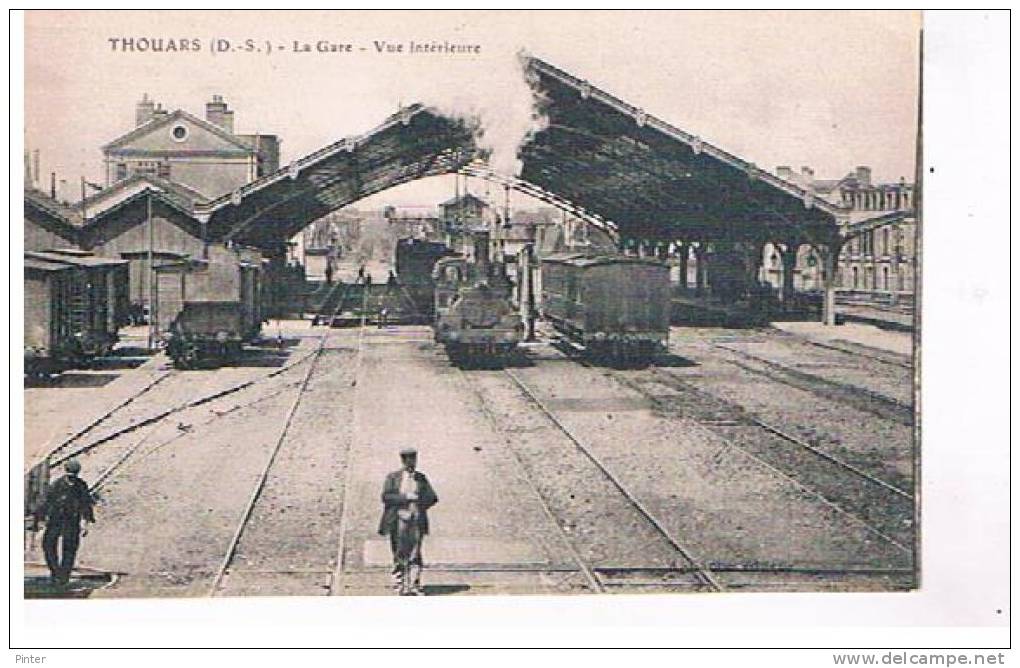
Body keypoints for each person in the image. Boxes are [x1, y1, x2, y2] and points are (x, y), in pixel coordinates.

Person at [378, 448, 438, 596]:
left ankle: (414, 585)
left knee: (415, 553)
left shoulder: (421, 478)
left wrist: (419, 502)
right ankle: (400, 584)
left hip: (416, 520)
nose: (410, 463)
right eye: (407, 460)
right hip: (398, 520)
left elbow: (432, 497)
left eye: (413, 460)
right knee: (399, 552)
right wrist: (405, 498)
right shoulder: (393, 478)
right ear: (403, 461)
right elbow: (386, 497)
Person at [37, 459, 95, 585]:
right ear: (66, 472)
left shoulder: (81, 485)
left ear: (77, 474)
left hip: (72, 520)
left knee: (70, 548)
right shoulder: (56, 485)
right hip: (55, 520)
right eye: (70, 476)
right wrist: (41, 522)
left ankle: (64, 576)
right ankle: (55, 571)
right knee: (48, 545)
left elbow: (86, 504)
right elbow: (45, 503)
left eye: (74, 476)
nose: (72, 479)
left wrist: (85, 523)